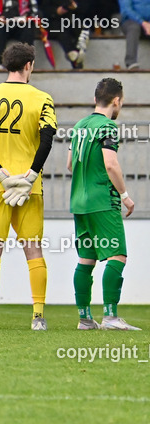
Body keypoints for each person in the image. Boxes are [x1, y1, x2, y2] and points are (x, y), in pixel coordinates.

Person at [0, 42, 56, 330]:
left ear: (6, 63)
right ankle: (38, 317)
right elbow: (47, 140)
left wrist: (2, 175)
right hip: (30, 188)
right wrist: (31, 176)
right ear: (29, 65)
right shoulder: (43, 98)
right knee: (34, 250)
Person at [68, 78, 140, 330]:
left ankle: (85, 319)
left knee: (86, 260)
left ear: (94, 99)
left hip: (78, 203)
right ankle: (110, 317)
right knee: (118, 255)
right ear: (116, 100)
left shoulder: (79, 126)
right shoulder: (107, 126)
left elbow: (69, 164)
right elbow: (110, 164)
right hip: (102, 201)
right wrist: (124, 195)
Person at [44, 0, 88, 68]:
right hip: (56, 21)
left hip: (75, 19)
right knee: (61, 31)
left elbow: (88, 5)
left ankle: (76, 55)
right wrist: (56, 11)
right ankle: (73, 54)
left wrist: (76, 7)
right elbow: (44, 8)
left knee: (81, 30)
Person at [119, 0, 150, 70]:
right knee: (134, 27)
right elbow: (126, 9)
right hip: (131, 21)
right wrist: (143, 23)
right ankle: (131, 62)